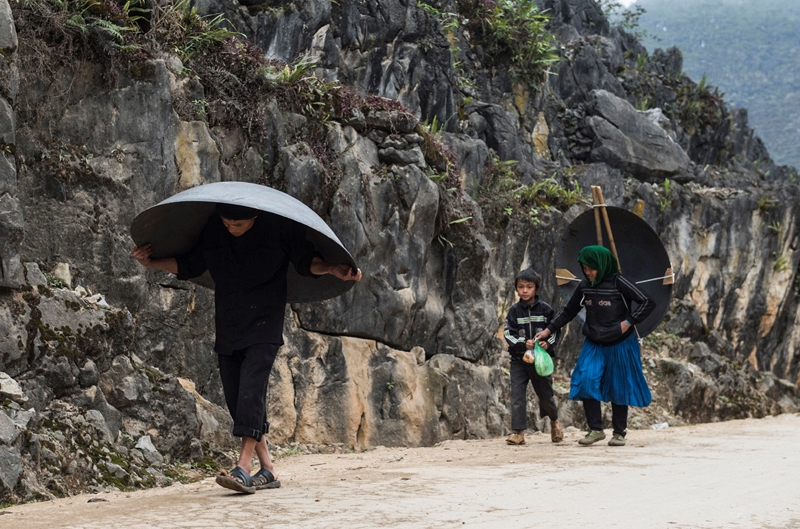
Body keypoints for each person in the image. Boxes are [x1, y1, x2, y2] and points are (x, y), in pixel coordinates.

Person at [132, 202, 361, 493]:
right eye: (226, 223)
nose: (231, 229)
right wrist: (151, 263)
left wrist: (331, 268)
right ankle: (268, 469)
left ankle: (243, 467)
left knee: (251, 390)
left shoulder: (280, 227)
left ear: (254, 215)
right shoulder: (215, 230)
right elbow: (191, 264)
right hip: (229, 324)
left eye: (237, 224)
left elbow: (306, 262)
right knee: (237, 398)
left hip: (265, 324)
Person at [534, 245, 654, 447]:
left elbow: (647, 302)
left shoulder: (619, 282)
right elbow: (569, 311)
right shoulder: (585, 286)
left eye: (591, 268)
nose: (588, 272)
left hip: (620, 342)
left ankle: (619, 433)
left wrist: (628, 323)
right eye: (585, 268)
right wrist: (548, 330)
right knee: (585, 379)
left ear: (602, 265)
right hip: (594, 341)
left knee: (619, 385)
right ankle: (596, 429)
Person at [503, 268, 563, 445]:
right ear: (516, 289)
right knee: (517, 395)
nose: (525, 290)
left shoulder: (546, 310)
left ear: (536, 289)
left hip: (540, 361)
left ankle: (554, 422)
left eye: (529, 287)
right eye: (521, 287)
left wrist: (547, 344)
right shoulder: (514, 312)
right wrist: (523, 343)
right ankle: (519, 433)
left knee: (546, 394)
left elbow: (555, 330)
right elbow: (508, 333)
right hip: (519, 360)